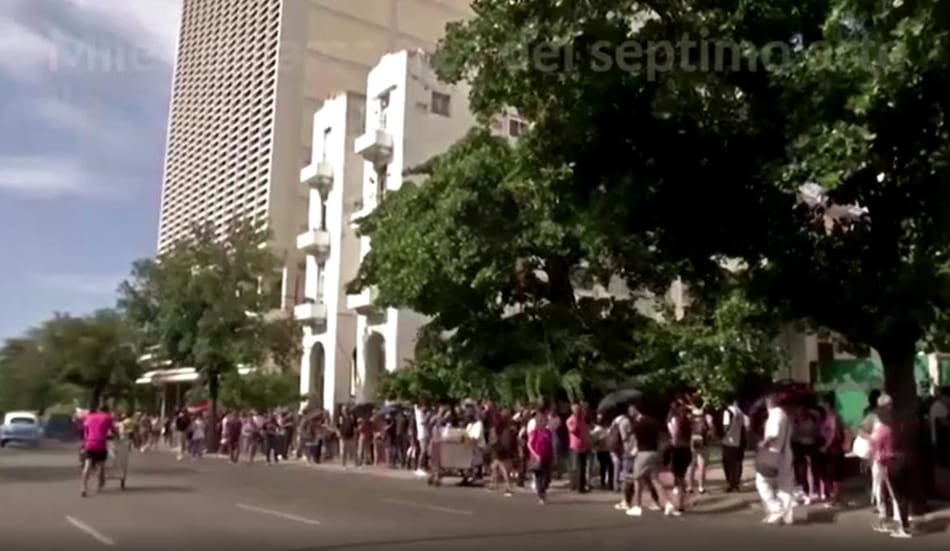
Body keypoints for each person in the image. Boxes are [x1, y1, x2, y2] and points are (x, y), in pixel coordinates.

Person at [869, 395, 913, 538]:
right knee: (903, 495)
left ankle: (902, 527)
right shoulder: (901, 428)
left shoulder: (883, 430)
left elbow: (876, 447)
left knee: (895, 495)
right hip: (904, 460)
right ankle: (904, 524)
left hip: (890, 463)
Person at [623, 404, 678, 517]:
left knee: (637, 479)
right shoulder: (653, 421)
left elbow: (633, 440)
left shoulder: (637, 425)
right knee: (655, 479)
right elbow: (661, 436)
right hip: (654, 452)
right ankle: (668, 503)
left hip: (643, 453)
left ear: (636, 410)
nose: (629, 412)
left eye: (631, 410)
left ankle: (637, 506)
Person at [755, 392, 795, 525]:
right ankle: (786, 515)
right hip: (785, 453)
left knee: (762, 482)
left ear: (769, 402)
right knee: (785, 485)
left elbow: (773, 434)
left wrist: (763, 443)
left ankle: (776, 508)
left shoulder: (775, 414)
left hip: (774, 454)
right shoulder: (784, 414)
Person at [80, 405, 115, 498]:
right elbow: (113, 431)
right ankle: (101, 481)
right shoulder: (108, 418)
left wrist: (86, 440)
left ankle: (83, 488)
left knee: (87, 465)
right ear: (107, 411)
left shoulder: (89, 417)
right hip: (101, 444)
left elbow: (86, 431)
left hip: (89, 443)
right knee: (101, 465)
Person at [667, 400, 693, 513]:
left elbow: (675, 436)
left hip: (678, 449)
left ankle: (679, 502)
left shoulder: (677, 421)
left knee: (678, 477)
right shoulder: (689, 422)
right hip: (687, 450)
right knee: (681, 476)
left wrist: (671, 443)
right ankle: (682, 500)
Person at [686, 398, 714, 494]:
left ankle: (689, 486)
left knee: (691, 465)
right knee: (701, 465)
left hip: (691, 441)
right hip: (703, 442)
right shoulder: (707, 416)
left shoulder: (689, 416)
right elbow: (711, 429)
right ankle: (701, 487)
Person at [527, 407, 554, 505]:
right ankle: (541, 496)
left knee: (547, 477)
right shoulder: (534, 432)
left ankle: (543, 490)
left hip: (547, 456)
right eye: (542, 421)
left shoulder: (548, 432)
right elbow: (529, 444)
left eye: (545, 421)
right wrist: (536, 455)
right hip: (538, 458)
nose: (545, 422)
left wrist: (553, 455)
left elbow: (550, 445)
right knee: (539, 477)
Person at [721, 396, 748, 493]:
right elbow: (746, 425)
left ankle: (730, 482)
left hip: (729, 441)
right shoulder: (741, 412)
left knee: (727, 462)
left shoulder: (727, 412)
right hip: (739, 441)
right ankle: (736, 482)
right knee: (737, 463)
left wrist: (722, 435)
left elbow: (726, 426)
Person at [566, 402, 591, 493]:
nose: (579, 411)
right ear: (573, 411)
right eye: (576, 410)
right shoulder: (570, 420)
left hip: (583, 445)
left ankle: (582, 486)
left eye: (579, 410)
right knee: (575, 467)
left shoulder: (582, 420)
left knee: (583, 467)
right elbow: (573, 430)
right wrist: (576, 420)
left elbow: (585, 431)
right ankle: (574, 485)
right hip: (575, 446)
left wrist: (588, 441)